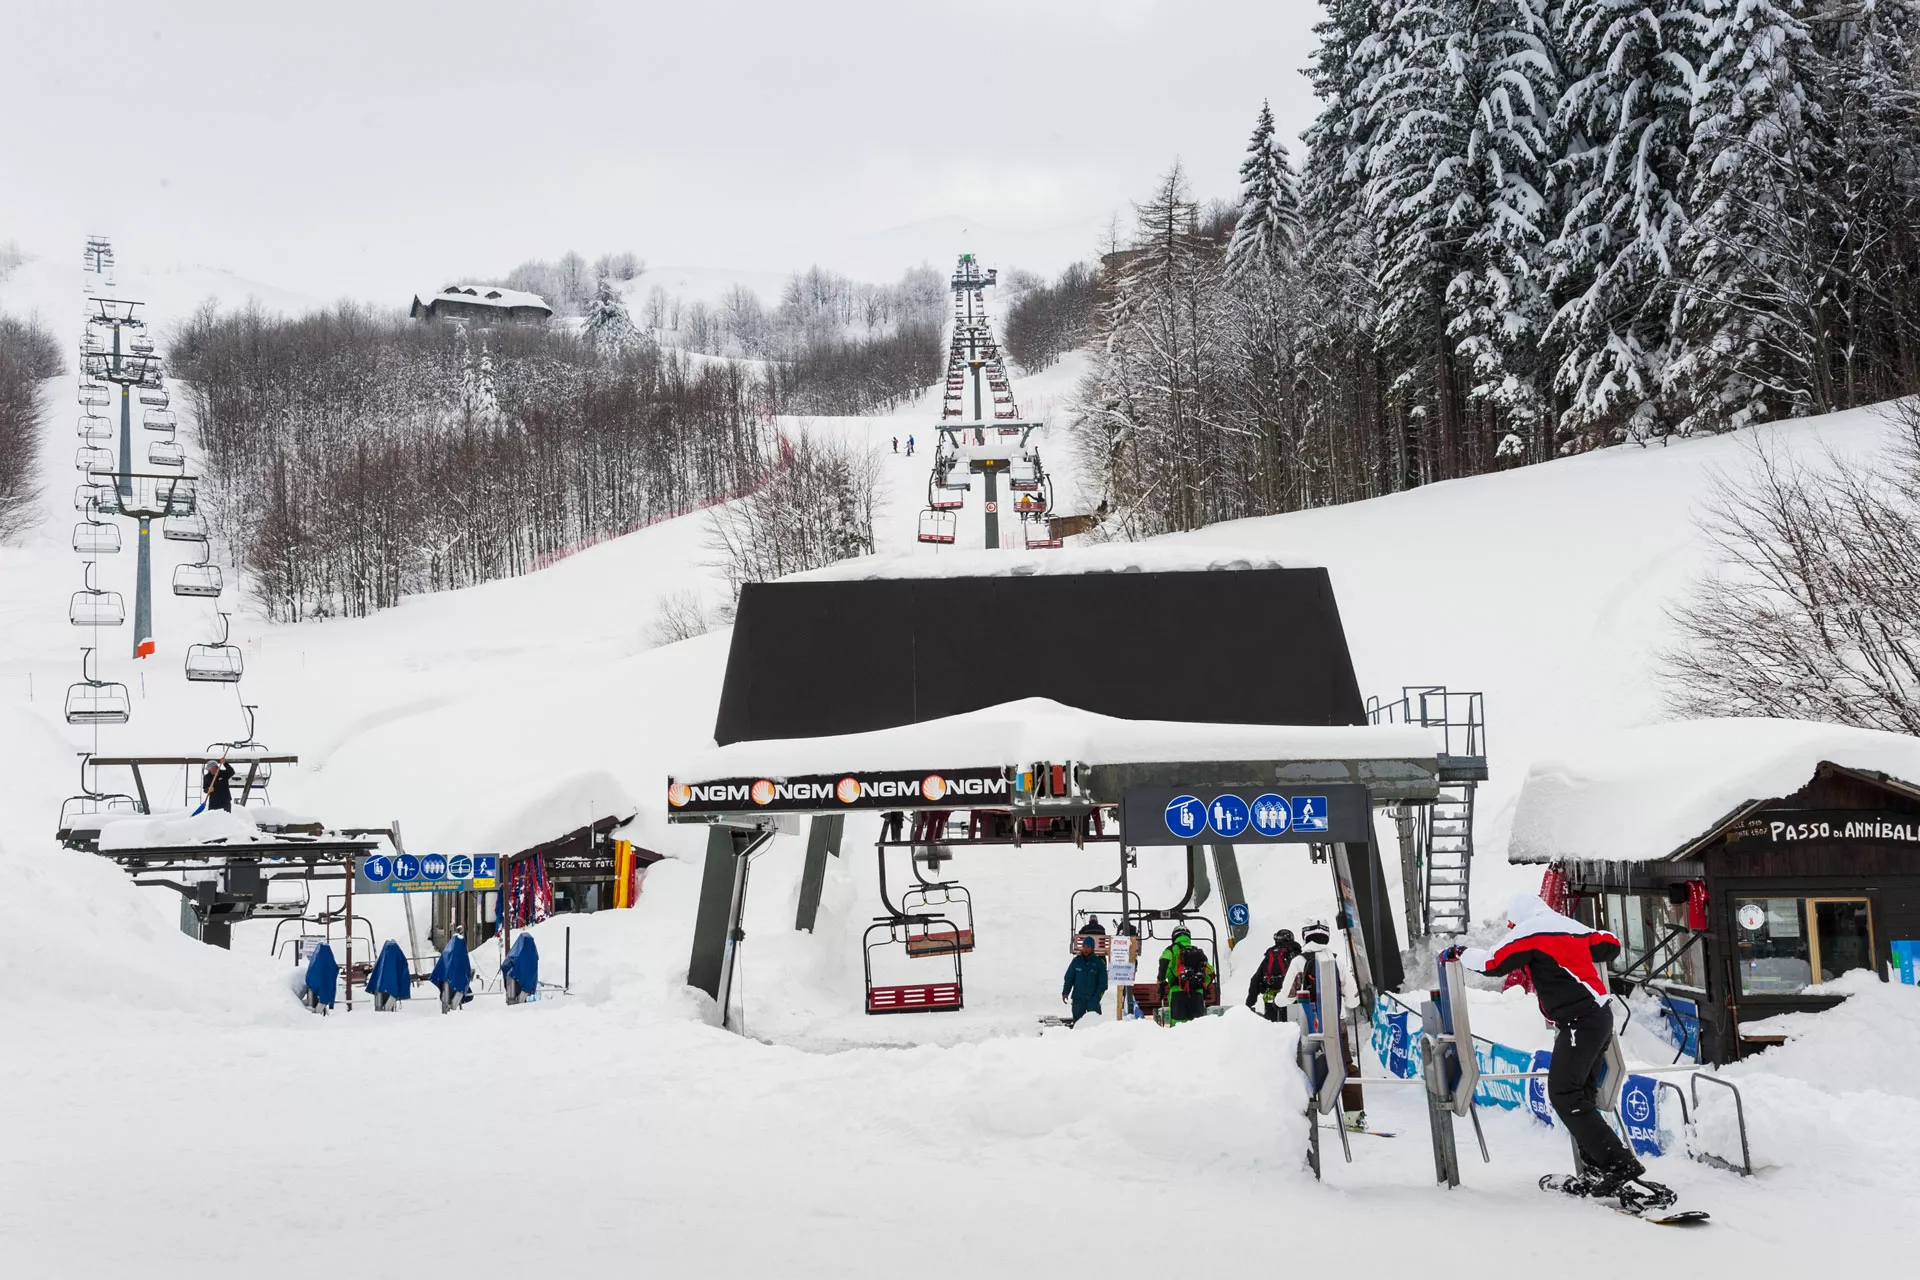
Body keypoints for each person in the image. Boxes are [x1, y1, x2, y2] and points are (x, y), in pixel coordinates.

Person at [1447, 894, 1641, 1193]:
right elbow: (1611, 944)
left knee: (1564, 1094)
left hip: (1579, 1021)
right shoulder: (1571, 926)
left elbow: (1492, 963)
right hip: (1599, 1015)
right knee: (1582, 1094)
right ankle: (1597, 1168)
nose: (1512, 928)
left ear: (1518, 918)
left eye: (1512, 924)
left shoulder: (1531, 932)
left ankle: (1618, 1164)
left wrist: (1461, 952)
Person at [1280, 921, 1366, 1121]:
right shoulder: (1337, 962)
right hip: (1336, 1026)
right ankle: (1354, 1115)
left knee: (1300, 1067)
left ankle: (1301, 1116)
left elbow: (1285, 998)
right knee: (1345, 1067)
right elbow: (1353, 1001)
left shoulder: (1299, 962)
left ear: (1305, 935)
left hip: (1307, 1026)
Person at [1156, 927, 1215, 1025]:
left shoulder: (1171, 950)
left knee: (1178, 1025)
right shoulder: (1197, 952)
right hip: (1197, 993)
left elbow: (1164, 963)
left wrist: (1161, 982)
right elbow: (1211, 973)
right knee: (1197, 1026)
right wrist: (1204, 985)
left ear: (1174, 937)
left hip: (1177, 992)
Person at [1245, 928, 1301, 1021]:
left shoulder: (1269, 956)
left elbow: (1255, 980)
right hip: (1291, 998)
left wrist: (1249, 1004)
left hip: (1270, 997)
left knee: (1271, 1027)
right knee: (1293, 1026)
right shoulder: (1296, 955)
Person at [1062, 935, 1107, 1023]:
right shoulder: (1076, 961)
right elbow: (1069, 978)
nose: (1085, 949)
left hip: (1092, 1001)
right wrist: (1065, 992)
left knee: (1095, 1027)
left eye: (1088, 947)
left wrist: (1096, 999)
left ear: (1092, 948)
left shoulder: (1099, 964)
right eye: (1084, 947)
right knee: (1078, 1026)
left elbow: (1103, 984)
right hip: (1078, 1001)